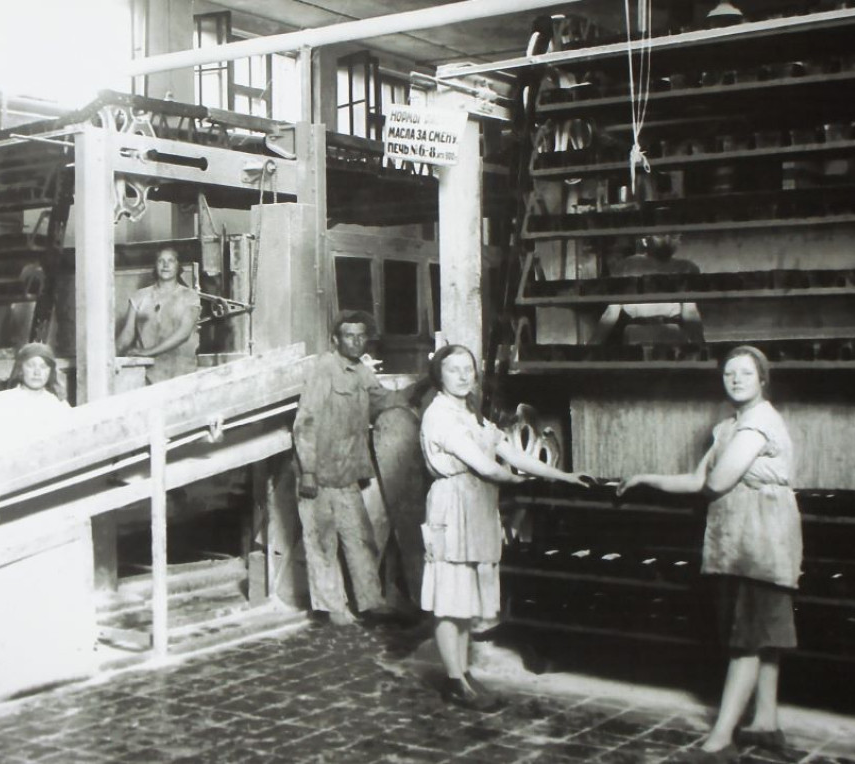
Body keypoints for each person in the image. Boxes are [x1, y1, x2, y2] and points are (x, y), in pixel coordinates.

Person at [619, 347, 801, 761]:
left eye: (745, 373)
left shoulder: (759, 422)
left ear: (762, 379)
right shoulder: (727, 429)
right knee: (761, 635)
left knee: (748, 640)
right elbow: (698, 479)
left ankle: (720, 740)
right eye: (729, 373)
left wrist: (723, 477)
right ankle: (766, 722)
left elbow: (717, 482)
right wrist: (646, 478)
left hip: (762, 542)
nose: (736, 379)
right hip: (740, 541)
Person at [419, 344, 590, 711]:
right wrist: (519, 482)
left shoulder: (472, 416)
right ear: (439, 376)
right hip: (452, 506)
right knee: (450, 597)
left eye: (468, 369)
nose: (464, 376)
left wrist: (565, 476)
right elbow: (488, 468)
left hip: (477, 505)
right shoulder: (440, 416)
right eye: (454, 370)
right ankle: (454, 681)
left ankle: (463, 672)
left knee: (464, 595)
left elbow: (514, 455)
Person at [292, 311, 408, 627]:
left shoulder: (361, 372)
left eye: (360, 336)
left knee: (360, 540)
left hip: (347, 475)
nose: (356, 341)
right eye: (348, 336)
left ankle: (371, 602)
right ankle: (333, 608)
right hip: (319, 475)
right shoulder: (324, 370)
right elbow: (305, 422)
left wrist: (419, 392)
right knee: (323, 543)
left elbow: (383, 399)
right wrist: (308, 472)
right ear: (335, 339)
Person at [591, 234, 705, 345]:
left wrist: (701, 344)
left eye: (673, 235)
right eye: (660, 235)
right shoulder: (627, 265)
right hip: (637, 334)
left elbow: (690, 311)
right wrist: (593, 344)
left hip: (672, 334)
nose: (667, 240)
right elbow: (611, 312)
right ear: (648, 237)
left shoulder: (686, 268)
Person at [116, 247, 202, 384]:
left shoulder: (189, 296)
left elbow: (183, 334)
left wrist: (147, 352)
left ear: (178, 265)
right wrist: (108, 360)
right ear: (155, 266)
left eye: (171, 261)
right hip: (148, 373)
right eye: (160, 261)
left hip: (181, 373)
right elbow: (127, 334)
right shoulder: (139, 296)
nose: (165, 265)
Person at [0, 343, 70, 435]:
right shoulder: (0, 400)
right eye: (31, 366)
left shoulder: (59, 405)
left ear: (50, 371)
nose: (37, 372)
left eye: (43, 367)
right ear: (20, 369)